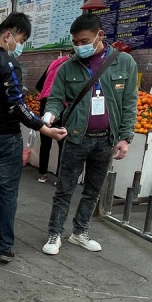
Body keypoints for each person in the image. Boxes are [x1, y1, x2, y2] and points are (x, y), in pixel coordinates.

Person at [0, 12, 67, 264]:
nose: (19, 46)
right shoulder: (9, 64)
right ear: (8, 36)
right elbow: (16, 105)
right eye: (20, 40)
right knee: (7, 194)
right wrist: (44, 128)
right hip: (7, 138)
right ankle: (4, 247)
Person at [41, 13, 138, 254]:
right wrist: (49, 116)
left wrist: (125, 138)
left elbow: (129, 103)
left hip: (106, 139)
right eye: (75, 42)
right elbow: (56, 98)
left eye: (84, 41)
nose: (79, 46)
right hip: (75, 137)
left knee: (93, 190)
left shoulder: (124, 63)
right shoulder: (68, 67)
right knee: (64, 189)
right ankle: (54, 234)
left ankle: (80, 232)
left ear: (99, 35)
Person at [34, 52, 72, 183]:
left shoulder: (54, 63)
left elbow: (38, 85)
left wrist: (48, 92)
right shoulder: (73, 66)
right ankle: (59, 177)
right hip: (62, 104)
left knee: (45, 140)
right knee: (62, 141)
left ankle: (42, 174)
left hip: (45, 102)